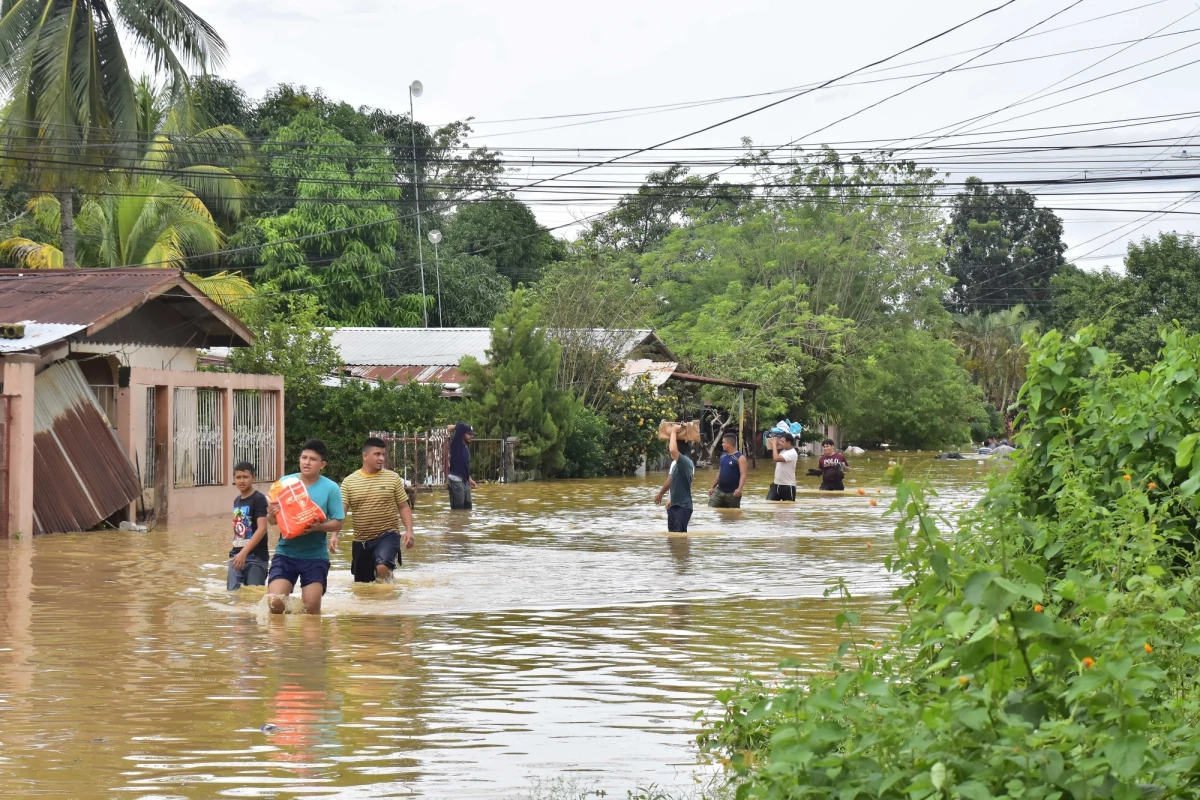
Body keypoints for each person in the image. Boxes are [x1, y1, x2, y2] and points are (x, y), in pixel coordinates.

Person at [266, 439, 345, 615]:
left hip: (315, 556)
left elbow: (338, 522)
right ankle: (282, 641)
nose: (307, 462)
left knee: (311, 607)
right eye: (304, 457)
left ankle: (308, 641)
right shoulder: (285, 483)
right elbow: (271, 521)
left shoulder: (331, 488)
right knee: (275, 603)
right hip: (285, 553)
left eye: (313, 459)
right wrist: (272, 513)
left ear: (322, 464)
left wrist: (319, 527)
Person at [341, 437, 415, 583]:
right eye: (377, 454)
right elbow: (341, 511)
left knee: (382, 567)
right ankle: (387, 586)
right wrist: (335, 535)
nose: (381, 458)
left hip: (388, 534)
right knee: (364, 587)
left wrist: (409, 530)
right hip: (361, 541)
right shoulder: (349, 482)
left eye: (383, 454)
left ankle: (389, 596)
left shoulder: (393, 478)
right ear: (365, 456)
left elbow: (404, 507)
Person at [228, 461, 269, 590]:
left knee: (253, 596)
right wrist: (238, 554)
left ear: (253, 478)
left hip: (256, 558)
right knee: (233, 594)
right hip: (236, 556)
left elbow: (262, 528)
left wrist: (244, 553)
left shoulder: (259, 499)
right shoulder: (237, 500)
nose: (241, 481)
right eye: (238, 477)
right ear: (234, 479)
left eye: (245, 477)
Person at [654, 426, 694, 532]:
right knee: (672, 538)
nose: (669, 446)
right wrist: (668, 498)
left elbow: (672, 450)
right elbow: (671, 481)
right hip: (674, 505)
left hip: (683, 507)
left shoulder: (686, 462)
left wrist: (673, 432)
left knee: (679, 537)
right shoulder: (675, 464)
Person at [708, 432, 747, 508]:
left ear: (729, 443)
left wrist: (740, 489)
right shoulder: (723, 456)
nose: (722, 444)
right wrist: (712, 487)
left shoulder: (740, 458)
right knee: (711, 509)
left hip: (732, 493)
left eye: (723, 442)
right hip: (719, 491)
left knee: (732, 516)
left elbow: (743, 474)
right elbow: (719, 473)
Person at [448, 422, 478, 510]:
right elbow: (461, 426)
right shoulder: (456, 444)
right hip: (456, 481)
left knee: (468, 509)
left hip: (465, 481)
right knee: (458, 511)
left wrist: (469, 479)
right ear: (462, 434)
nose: (471, 436)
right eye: (469, 434)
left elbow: (463, 466)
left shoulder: (465, 448)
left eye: (472, 434)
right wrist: (453, 427)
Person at [766, 431, 798, 501]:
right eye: (780, 441)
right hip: (776, 484)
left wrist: (774, 445)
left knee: (788, 509)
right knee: (768, 504)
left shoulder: (792, 453)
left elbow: (776, 458)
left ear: (789, 443)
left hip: (788, 486)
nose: (781, 443)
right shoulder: (783, 451)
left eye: (782, 442)